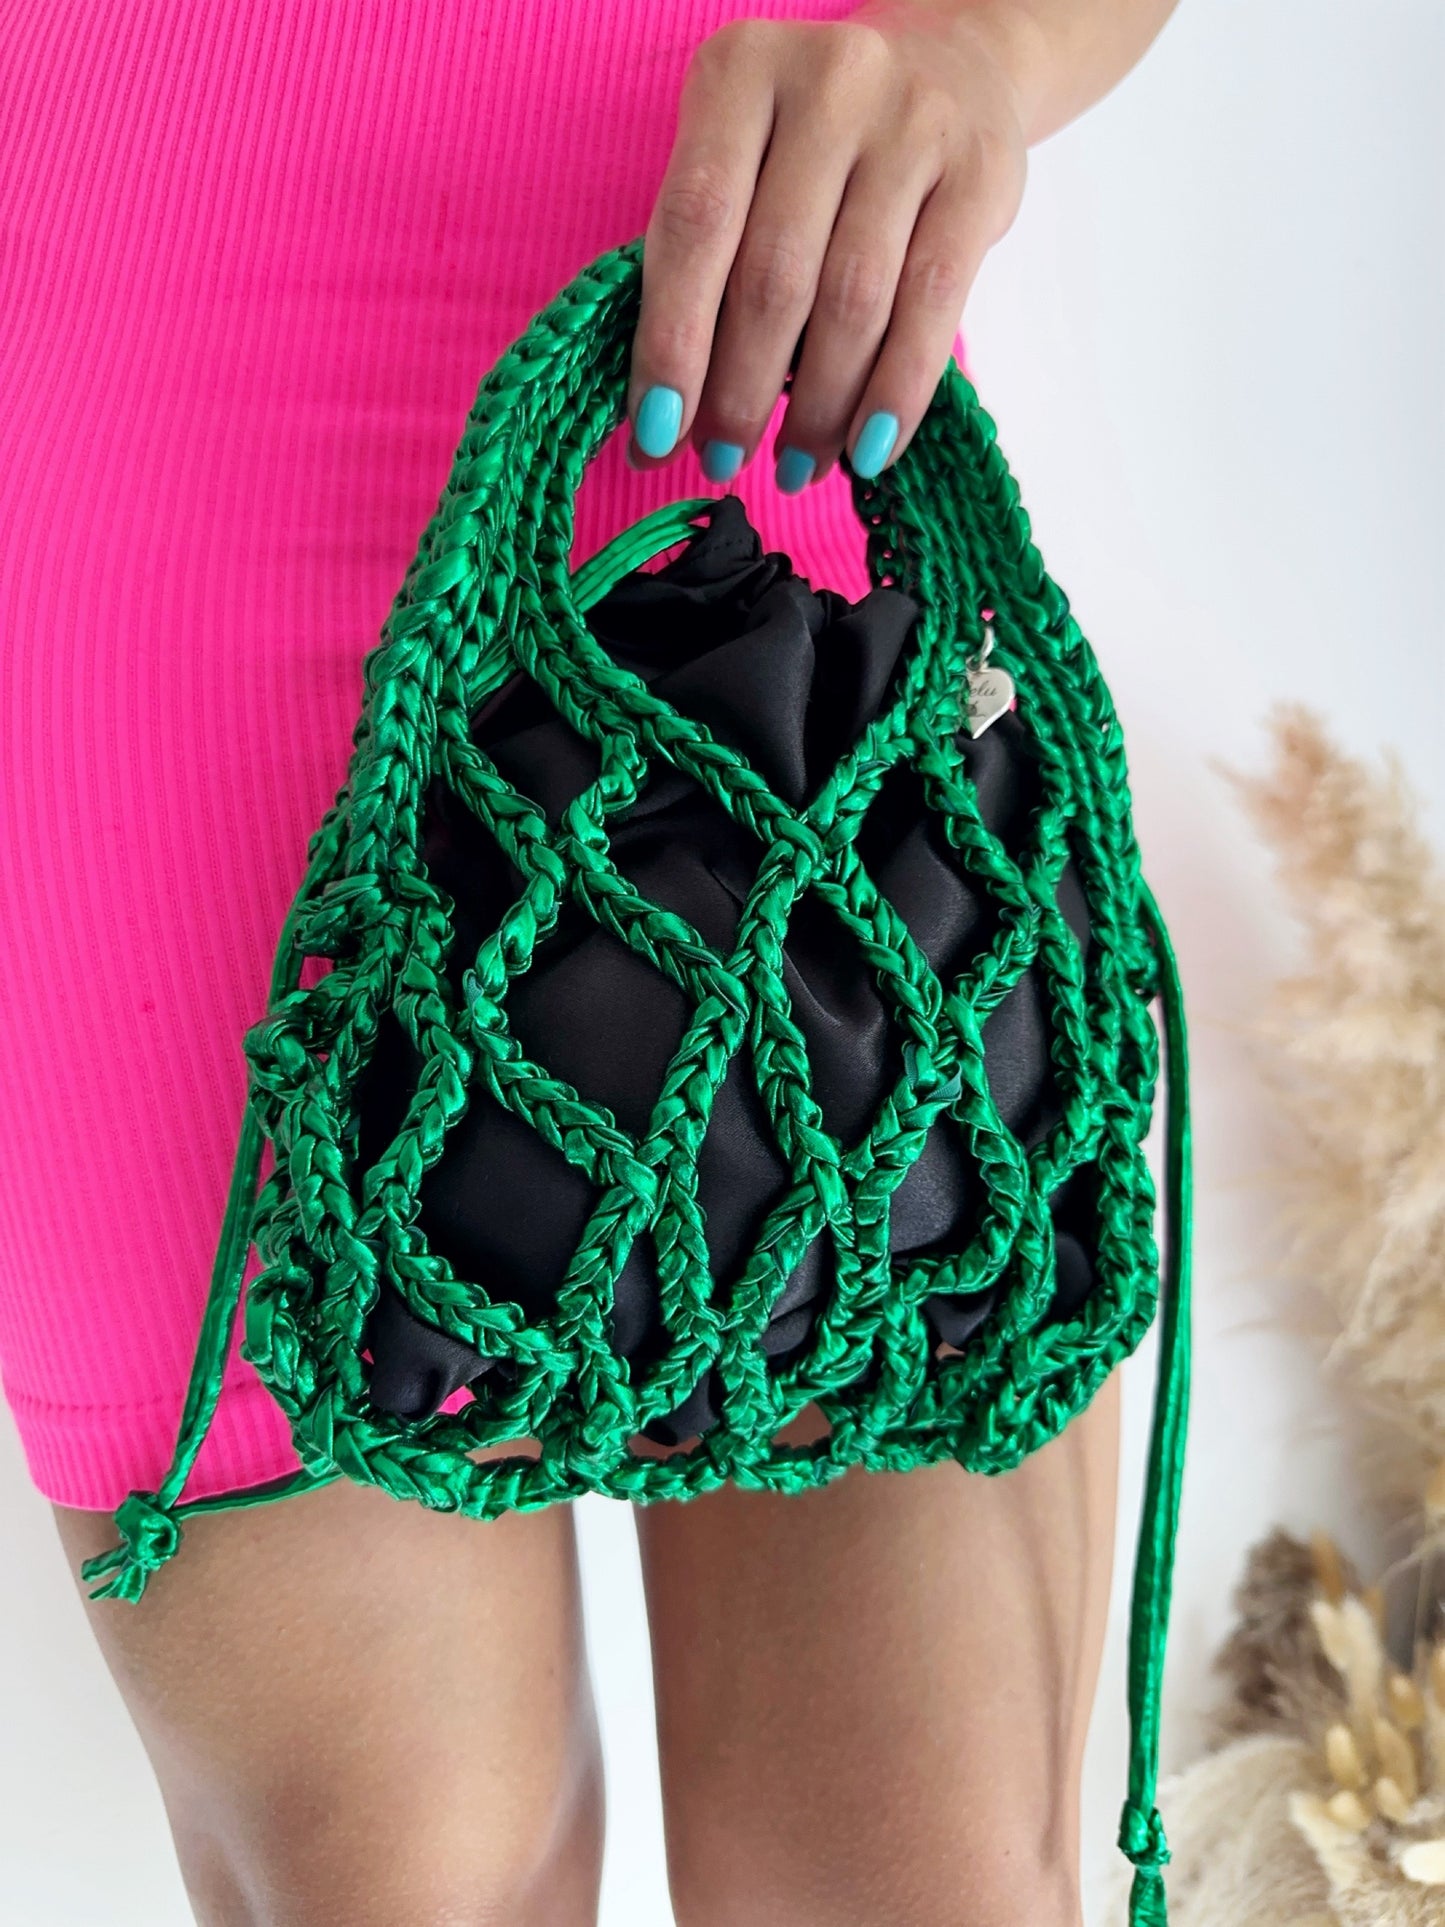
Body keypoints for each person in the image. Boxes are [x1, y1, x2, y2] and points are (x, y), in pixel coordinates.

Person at [1, 2, 1176, 1921]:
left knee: (925, 1878)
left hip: (748, 445)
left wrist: (973, 46)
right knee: (401, 1884)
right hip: (116, 537)